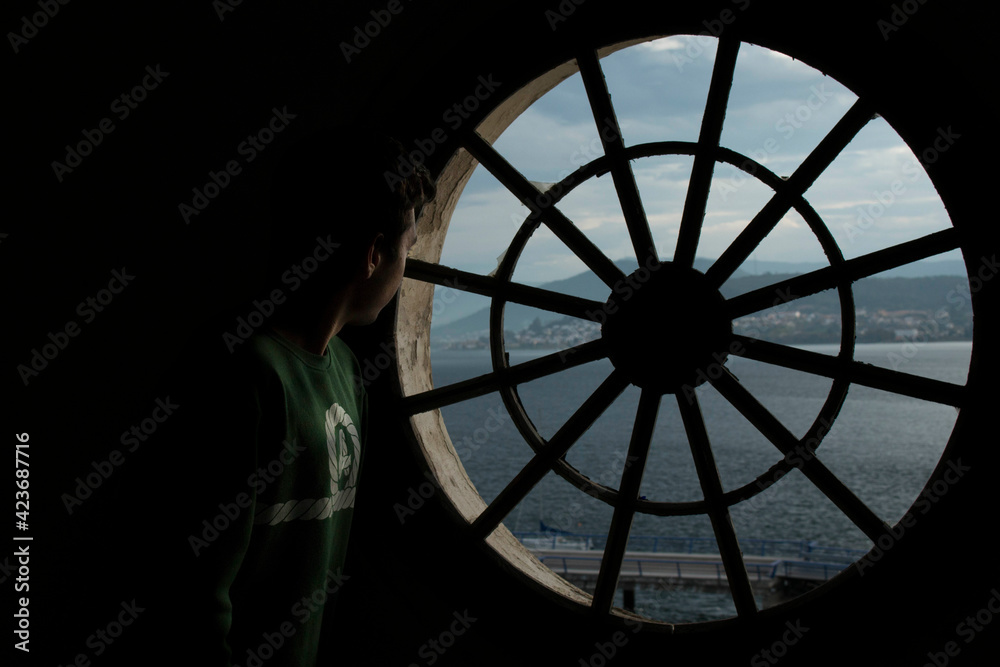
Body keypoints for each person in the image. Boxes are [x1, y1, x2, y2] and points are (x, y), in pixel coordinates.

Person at [117, 127, 435, 665]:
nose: (407, 269)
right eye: (406, 247)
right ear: (374, 254)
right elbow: (190, 596)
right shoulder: (239, 374)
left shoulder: (342, 367)